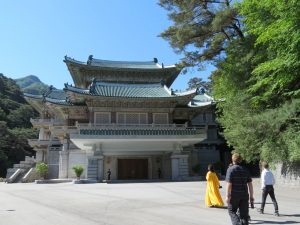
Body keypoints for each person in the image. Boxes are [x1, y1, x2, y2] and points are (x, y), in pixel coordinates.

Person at [226, 153, 254, 225]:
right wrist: (251, 196)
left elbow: (229, 184)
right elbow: (250, 184)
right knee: (244, 216)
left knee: (231, 211)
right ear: (240, 160)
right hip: (244, 195)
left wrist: (227, 196)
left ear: (232, 159)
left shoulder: (230, 170)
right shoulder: (245, 170)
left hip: (234, 196)